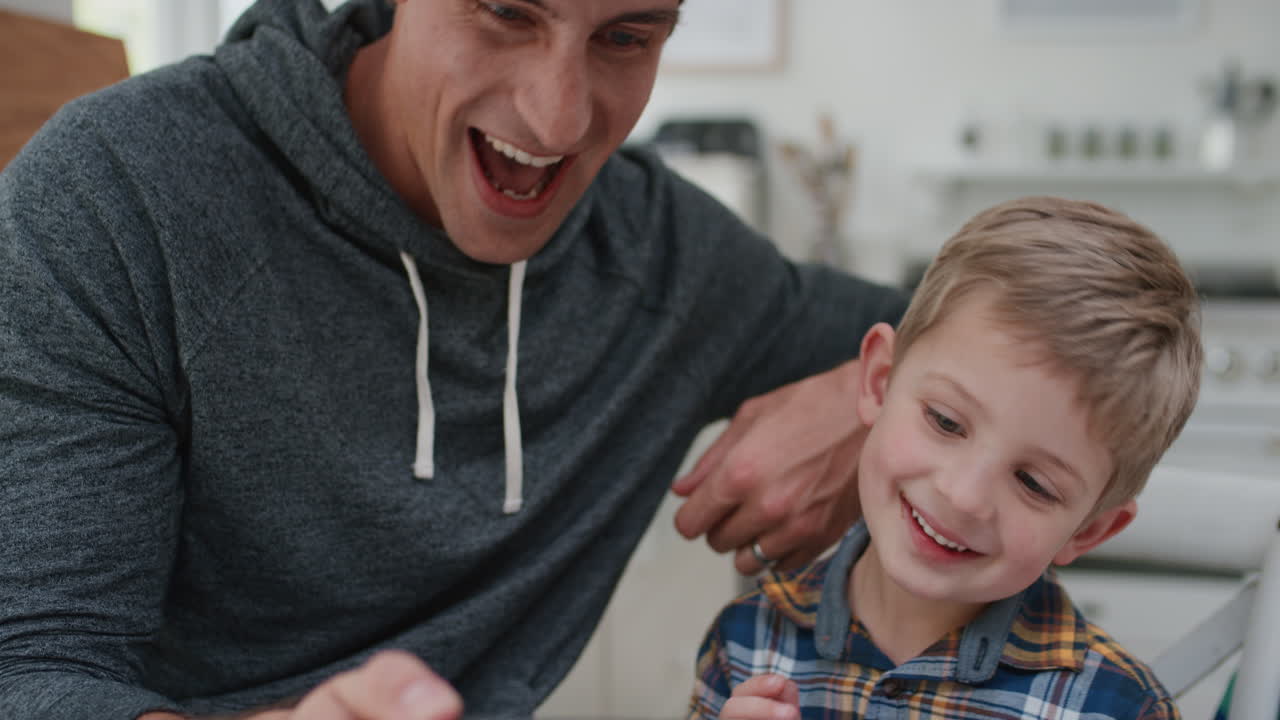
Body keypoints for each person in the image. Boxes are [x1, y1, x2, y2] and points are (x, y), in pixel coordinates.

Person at [0, 0, 908, 718]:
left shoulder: (662, 254)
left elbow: (1020, 311)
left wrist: (876, 396)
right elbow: (33, 675)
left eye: (626, 36)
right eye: (506, 11)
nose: (558, 117)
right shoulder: (115, 197)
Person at [688, 196, 1203, 720]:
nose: (964, 495)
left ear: (1089, 530)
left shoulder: (1120, 708)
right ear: (878, 381)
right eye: (946, 422)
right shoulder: (745, 644)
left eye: (1033, 483)